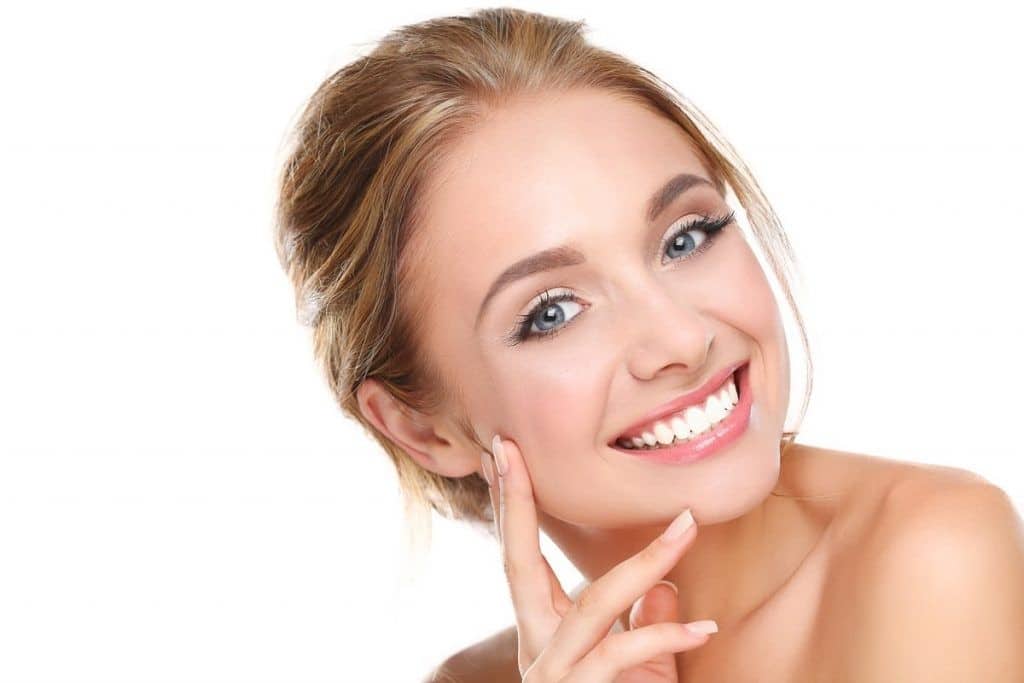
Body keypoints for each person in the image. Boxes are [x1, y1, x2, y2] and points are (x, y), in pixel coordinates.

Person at [272, 8, 1024, 681]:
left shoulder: (931, 557)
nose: (682, 338)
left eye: (685, 238)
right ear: (420, 427)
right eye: (553, 312)